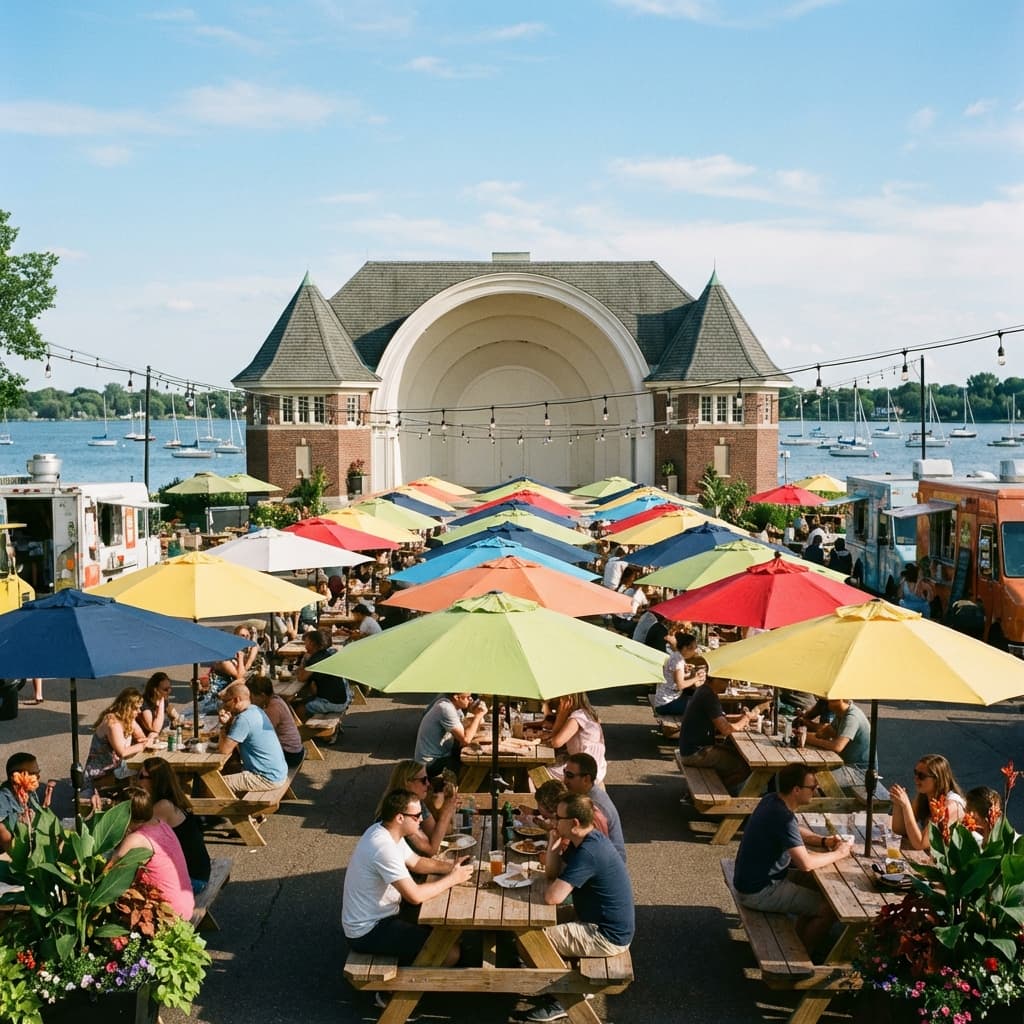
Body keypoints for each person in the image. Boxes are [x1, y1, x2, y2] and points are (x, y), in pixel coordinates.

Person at [524, 794, 634, 1022]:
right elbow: (552, 874)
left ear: (574, 823)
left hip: (606, 935)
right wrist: (553, 837)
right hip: (597, 920)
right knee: (531, 926)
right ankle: (552, 974)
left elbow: (553, 896)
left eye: (558, 817)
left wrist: (553, 837)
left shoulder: (589, 853)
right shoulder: (585, 840)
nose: (553, 819)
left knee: (531, 939)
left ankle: (565, 998)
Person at [342, 788, 474, 966]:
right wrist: (453, 879)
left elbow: (417, 862)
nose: (421, 819)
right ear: (400, 818)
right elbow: (414, 896)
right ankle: (393, 992)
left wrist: (452, 867)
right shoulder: (383, 847)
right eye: (416, 815)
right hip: (369, 931)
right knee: (450, 952)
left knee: (446, 930)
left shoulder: (386, 831)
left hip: (387, 913)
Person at [732, 763, 853, 951]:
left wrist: (823, 841)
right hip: (759, 891)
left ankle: (797, 936)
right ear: (796, 790)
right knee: (828, 910)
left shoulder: (772, 800)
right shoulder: (783, 817)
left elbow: (794, 830)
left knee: (816, 886)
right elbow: (805, 863)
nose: (816, 790)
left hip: (751, 879)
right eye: (812, 787)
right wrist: (839, 853)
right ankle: (802, 957)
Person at [109, 787, 194, 920]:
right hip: (186, 902)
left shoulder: (136, 839)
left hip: (169, 913)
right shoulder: (161, 824)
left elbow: (109, 868)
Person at [679, 673, 766, 792]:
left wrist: (742, 717)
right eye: (725, 680)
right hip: (695, 753)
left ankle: (717, 788)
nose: (728, 683)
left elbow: (720, 718)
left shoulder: (703, 691)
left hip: (690, 748)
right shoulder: (708, 697)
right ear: (712, 679)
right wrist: (746, 719)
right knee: (744, 766)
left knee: (735, 755)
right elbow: (726, 730)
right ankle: (713, 792)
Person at [137, 756, 211, 893]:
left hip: (192, 880)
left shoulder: (163, 806)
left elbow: (137, 836)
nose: (137, 780)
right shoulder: (176, 799)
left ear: (155, 780)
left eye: (142, 776)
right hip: (200, 872)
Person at [374, 760, 458, 857]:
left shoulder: (416, 801)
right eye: (423, 780)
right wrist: (445, 813)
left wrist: (442, 804)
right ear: (407, 783)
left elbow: (440, 832)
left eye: (428, 779)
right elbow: (432, 849)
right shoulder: (400, 813)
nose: (428, 784)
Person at [216, 682, 289, 794]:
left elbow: (223, 751)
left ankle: (224, 811)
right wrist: (229, 723)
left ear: (236, 700)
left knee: (215, 785)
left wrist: (222, 726)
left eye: (226, 701)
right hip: (278, 772)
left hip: (265, 777)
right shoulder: (255, 709)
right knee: (230, 767)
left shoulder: (244, 719)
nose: (224, 705)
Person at [84, 688, 157, 792]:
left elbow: (141, 737)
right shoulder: (112, 723)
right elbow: (122, 752)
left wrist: (144, 740)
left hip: (115, 769)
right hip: (100, 773)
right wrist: (142, 745)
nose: (139, 712)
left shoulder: (127, 719)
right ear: (127, 708)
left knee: (143, 774)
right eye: (136, 708)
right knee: (142, 777)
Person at [890, 753, 965, 850]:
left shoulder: (951, 806)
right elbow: (900, 830)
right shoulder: (925, 796)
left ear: (937, 779)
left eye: (922, 776)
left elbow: (920, 844)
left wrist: (906, 805)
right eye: (915, 773)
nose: (916, 778)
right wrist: (897, 803)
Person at [563, 752, 626, 862]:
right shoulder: (585, 795)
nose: (565, 780)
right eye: (565, 773)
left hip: (607, 863)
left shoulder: (594, 807)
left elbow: (593, 849)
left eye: (570, 776)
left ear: (586, 779)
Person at [413, 692, 488, 777]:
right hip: (429, 763)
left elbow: (466, 727)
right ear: (456, 697)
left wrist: (476, 714)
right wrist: (478, 716)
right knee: (465, 762)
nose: (471, 699)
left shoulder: (454, 706)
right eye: (468, 697)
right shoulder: (446, 708)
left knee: (465, 753)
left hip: (442, 755)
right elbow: (465, 739)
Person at [543, 692, 607, 785]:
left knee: (539, 772)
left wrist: (561, 715)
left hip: (583, 769)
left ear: (568, 699)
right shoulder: (586, 712)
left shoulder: (577, 717)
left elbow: (555, 742)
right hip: (595, 765)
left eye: (561, 698)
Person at [804, 698, 872, 785]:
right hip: (847, 765)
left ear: (839, 700)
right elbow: (824, 733)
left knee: (813, 782)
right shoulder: (841, 713)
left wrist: (806, 737)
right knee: (809, 772)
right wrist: (802, 732)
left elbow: (837, 747)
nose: (827, 702)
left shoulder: (852, 717)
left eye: (829, 700)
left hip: (859, 771)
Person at [293, 629, 348, 727]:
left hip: (333, 703)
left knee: (299, 708)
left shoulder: (316, 660)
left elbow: (301, 678)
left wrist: (304, 661)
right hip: (340, 699)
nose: (305, 645)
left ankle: (305, 732)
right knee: (303, 699)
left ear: (312, 643)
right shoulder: (326, 655)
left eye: (306, 642)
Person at [246, 675, 305, 767]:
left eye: (251, 697)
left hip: (291, 754)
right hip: (295, 750)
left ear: (262, 695)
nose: (250, 700)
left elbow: (262, 735)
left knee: (249, 747)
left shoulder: (273, 707)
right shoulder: (276, 699)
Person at [0, 751, 50, 853]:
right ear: (17, 776)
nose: (37, 778)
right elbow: (1, 830)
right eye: (34, 774)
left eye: (38, 774)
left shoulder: (29, 794)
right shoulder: (2, 799)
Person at [651, 636, 701, 716]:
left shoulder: (676, 656)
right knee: (701, 706)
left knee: (697, 700)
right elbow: (680, 685)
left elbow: (676, 678)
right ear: (685, 648)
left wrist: (690, 674)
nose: (695, 651)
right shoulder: (678, 662)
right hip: (666, 704)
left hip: (664, 700)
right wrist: (696, 678)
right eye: (694, 648)